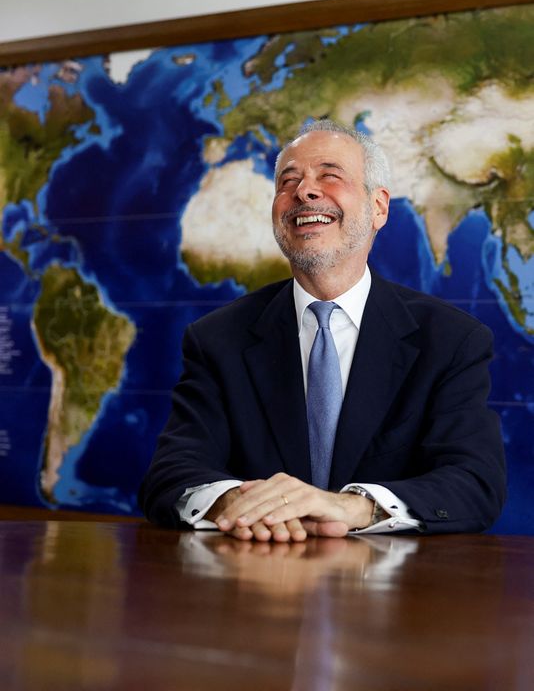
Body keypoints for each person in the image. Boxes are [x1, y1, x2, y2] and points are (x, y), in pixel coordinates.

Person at [138, 119, 506, 541]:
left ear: (379, 207)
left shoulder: (451, 340)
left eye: (330, 176)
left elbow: (475, 484)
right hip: (257, 587)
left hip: (394, 597)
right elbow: (169, 476)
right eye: (287, 180)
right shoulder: (217, 340)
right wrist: (240, 502)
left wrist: (349, 506)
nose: (304, 191)